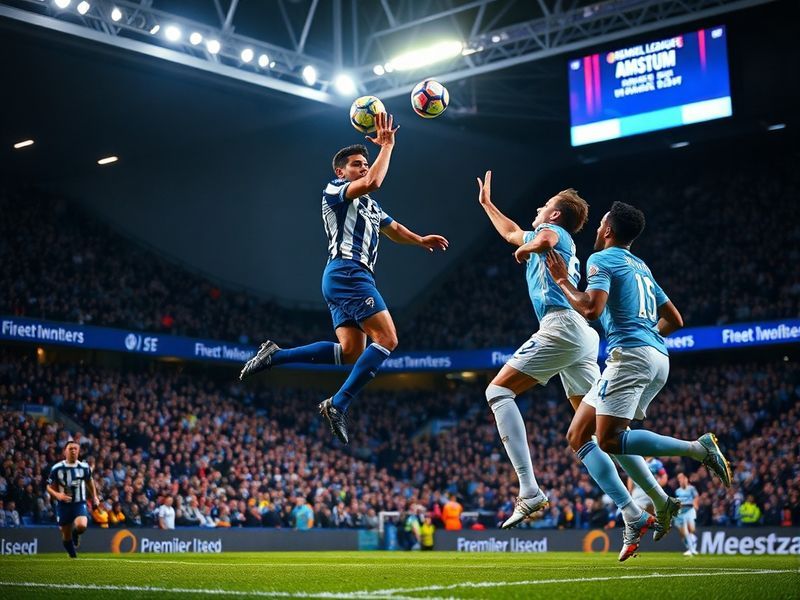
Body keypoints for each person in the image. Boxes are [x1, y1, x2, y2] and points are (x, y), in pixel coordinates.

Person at [476, 173, 674, 531]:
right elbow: (509, 232)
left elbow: (542, 239)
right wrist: (488, 205)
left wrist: (527, 248)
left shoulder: (555, 235)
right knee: (598, 433)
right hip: (582, 336)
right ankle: (641, 506)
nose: (538, 208)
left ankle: (529, 489)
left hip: (562, 326)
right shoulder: (550, 237)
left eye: (545, 205)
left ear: (554, 215)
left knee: (497, 390)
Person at [240, 112, 448, 444]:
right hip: (348, 273)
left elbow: (394, 230)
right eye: (356, 164)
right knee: (388, 340)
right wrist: (388, 146)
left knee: (351, 351)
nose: (363, 167)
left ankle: (275, 355)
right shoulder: (335, 191)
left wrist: (420, 239)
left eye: (365, 162)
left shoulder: (371, 206)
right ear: (341, 172)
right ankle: (338, 403)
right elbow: (375, 181)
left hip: (346, 277)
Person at [546, 201, 732, 561]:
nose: (598, 228)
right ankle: (652, 506)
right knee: (579, 435)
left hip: (630, 356)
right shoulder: (641, 266)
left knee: (612, 440)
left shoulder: (602, 260)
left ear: (609, 231)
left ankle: (697, 448)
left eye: (601, 223)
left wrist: (561, 282)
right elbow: (675, 319)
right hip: (655, 355)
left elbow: (590, 309)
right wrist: (649, 341)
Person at [45, 439, 100, 558]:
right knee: (66, 535)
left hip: (79, 503)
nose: (73, 451)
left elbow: (90, 481)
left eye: (75, 449)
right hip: (63, 505)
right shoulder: (57, 468)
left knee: (81, 526)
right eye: (70, 449)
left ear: (79, 451)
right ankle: (73, 556)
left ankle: (76, 534)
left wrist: (95, 497)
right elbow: (48, 487)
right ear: (65, 451)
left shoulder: (84, 467)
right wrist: (58, 495)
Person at [674, 473, 699, 556]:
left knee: (690, 529)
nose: (681, 480)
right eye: (679, 479)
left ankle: (691, 548)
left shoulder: (692, 489)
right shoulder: (677, 491)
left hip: (690, 510)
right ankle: (691, 548)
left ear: (686, 479)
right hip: (682, 512)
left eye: (682, 478)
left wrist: (695, 504)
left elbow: (696, 497)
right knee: (683, 532)